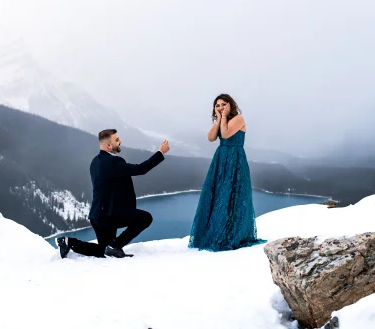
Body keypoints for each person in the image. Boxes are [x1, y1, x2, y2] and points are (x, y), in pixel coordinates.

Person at [57, 129, 170, 259]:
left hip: (97, 215)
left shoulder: (95, 162)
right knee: (145, 218)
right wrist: (160, 152)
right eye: (116, 140)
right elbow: (141, 169)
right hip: (110, 215)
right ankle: (115, 245)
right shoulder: (113, 163)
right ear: (108, 145)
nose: (120, 141)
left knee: (102, 250)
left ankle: (67, 242)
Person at [188, 94, 264, 251]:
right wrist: (217, 119)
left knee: (233, 196)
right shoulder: (221, 120)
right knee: (218, 194)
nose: (220, 107)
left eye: (223, 104)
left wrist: (222, 119)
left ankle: (232, 234)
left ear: (230, 105)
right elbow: (210, 138)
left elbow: (227, 133)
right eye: (217, 105)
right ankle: (215, 231)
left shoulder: (239, 118)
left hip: (235, 159)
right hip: (221, 159)